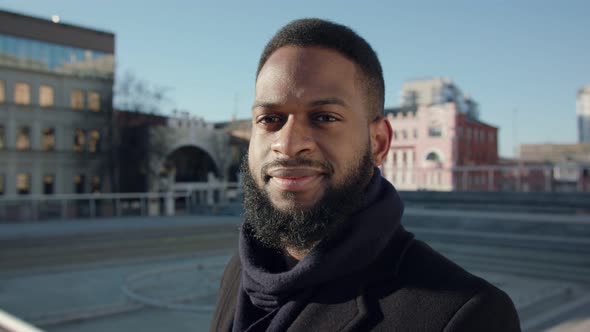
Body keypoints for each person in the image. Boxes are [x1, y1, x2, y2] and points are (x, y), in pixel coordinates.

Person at [210, 18, 521, 332]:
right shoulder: (240, 271)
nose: (288, 145)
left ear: (379, 142)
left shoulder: (468, 315)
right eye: (270, 118)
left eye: (323, 117)